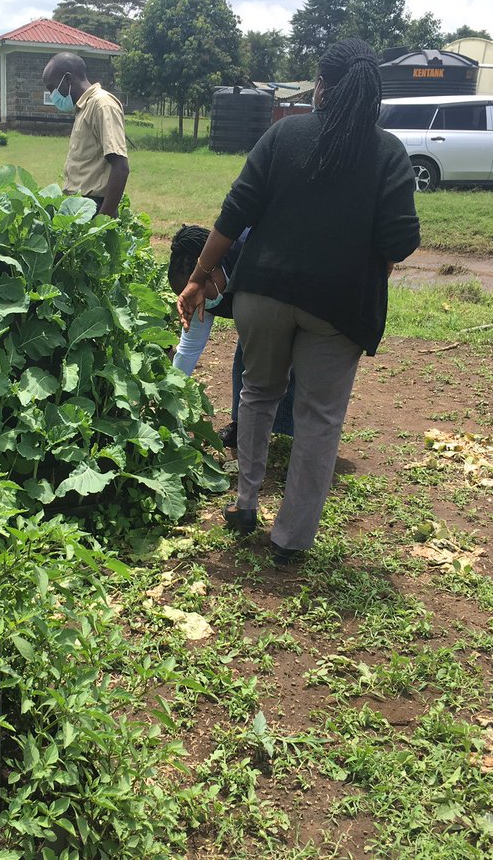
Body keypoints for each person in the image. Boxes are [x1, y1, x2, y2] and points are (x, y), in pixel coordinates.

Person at [178, 39, 421, 565]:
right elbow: (400, 242)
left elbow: (233, 214)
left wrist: (200, 276)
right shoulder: (388, 153)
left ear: (323, 87)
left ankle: (244, 505)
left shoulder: (283, 133)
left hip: (262, 294)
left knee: (258, 393)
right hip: (337, 307)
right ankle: (289, 541)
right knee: (318, 417)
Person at [167, 225, 295, 442]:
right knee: (247, 356)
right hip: (254, 307)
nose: (198, 303)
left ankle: (301, 432)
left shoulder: (248, 253)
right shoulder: (198, 293)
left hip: (284, 293)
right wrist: (170, 399)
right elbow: (189, 349)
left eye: (199, 295)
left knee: (287, 359)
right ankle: (243, 425)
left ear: (210, 273)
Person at [42, 52, 129, 218]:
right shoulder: (84, 108)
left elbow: (121, 167)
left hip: (95, 208)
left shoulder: (102, 105)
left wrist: (101, 223)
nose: (53, 95)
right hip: (80, 207)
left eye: (52, 88)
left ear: (68, 79)